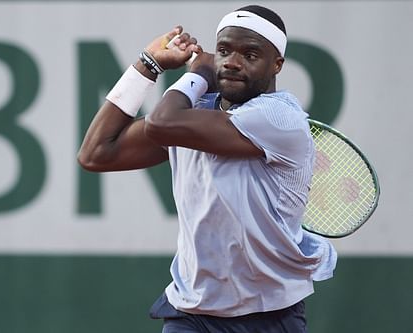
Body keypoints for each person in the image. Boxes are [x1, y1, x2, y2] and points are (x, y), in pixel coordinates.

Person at [78, 4, 337, 333]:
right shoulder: (195, 114)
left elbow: (161, 123)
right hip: (192, 314)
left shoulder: (279, 119)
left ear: (277, 64)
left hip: (270, 314)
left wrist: (198, 73)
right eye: (224, 50)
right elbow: (96, 153)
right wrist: (147, 64)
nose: (231, 62)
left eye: (250, 54)